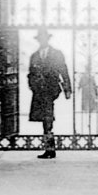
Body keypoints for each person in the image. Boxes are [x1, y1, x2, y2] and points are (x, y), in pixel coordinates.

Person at [27, 26, 71, 159]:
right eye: (40, 39)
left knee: (47, 115)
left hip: (51, 89)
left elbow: (64, 71)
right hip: (39, 90)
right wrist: (33, 85)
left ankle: (50, 148)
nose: (42, 41)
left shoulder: (57, 54)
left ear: (48, 39)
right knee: (45, 117)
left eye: (44, 38)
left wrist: (67, 89)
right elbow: (30, 74)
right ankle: (49, 147)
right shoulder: (34, 55)